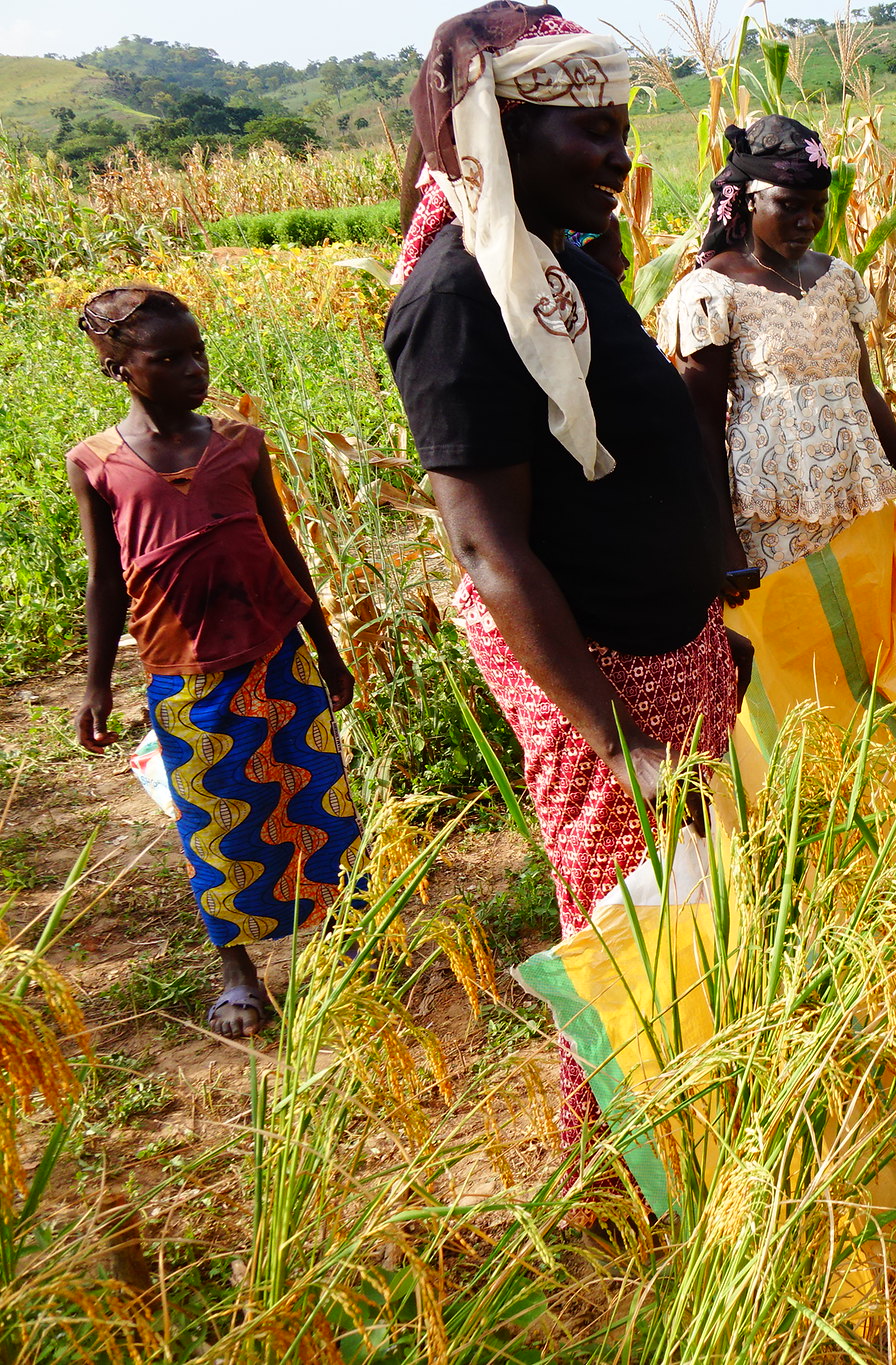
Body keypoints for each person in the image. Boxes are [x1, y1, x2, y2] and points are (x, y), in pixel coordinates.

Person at [382, 1, 743, 1147]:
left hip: (659, 644)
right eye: (589, 129)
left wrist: (697, 619)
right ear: (498, 134)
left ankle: (705, 1105)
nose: (618, 153)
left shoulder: (545, 263)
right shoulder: (456, 299)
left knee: (695, 900)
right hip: (601, 678)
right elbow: (490, 550)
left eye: (619, 123)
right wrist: (612, 742)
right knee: (627, 929)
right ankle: (620, 1161)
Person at [67, 287, 363, 1039]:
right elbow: (105, 580)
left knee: (314, 798)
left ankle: (341, 938)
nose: (194, 368)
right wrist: (97, 683)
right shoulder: (98, 463)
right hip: (186, 670)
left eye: (197, 351)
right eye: (169, 358)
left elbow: (283, 547)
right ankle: (238, 969)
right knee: (215, 820)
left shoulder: (239, 442)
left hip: (277, 653)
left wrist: (327, 649)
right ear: (118, 369)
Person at [657, 116, 896, 577]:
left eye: (818, 208)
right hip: (769, 515)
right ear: (751, 201)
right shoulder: (711, 293)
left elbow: (865, 392)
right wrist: (724, 544)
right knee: (791, 637)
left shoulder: (837, 278)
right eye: (789, 205)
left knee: (859, 633)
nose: (807, 222)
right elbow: (701, 426)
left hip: (855, 498)